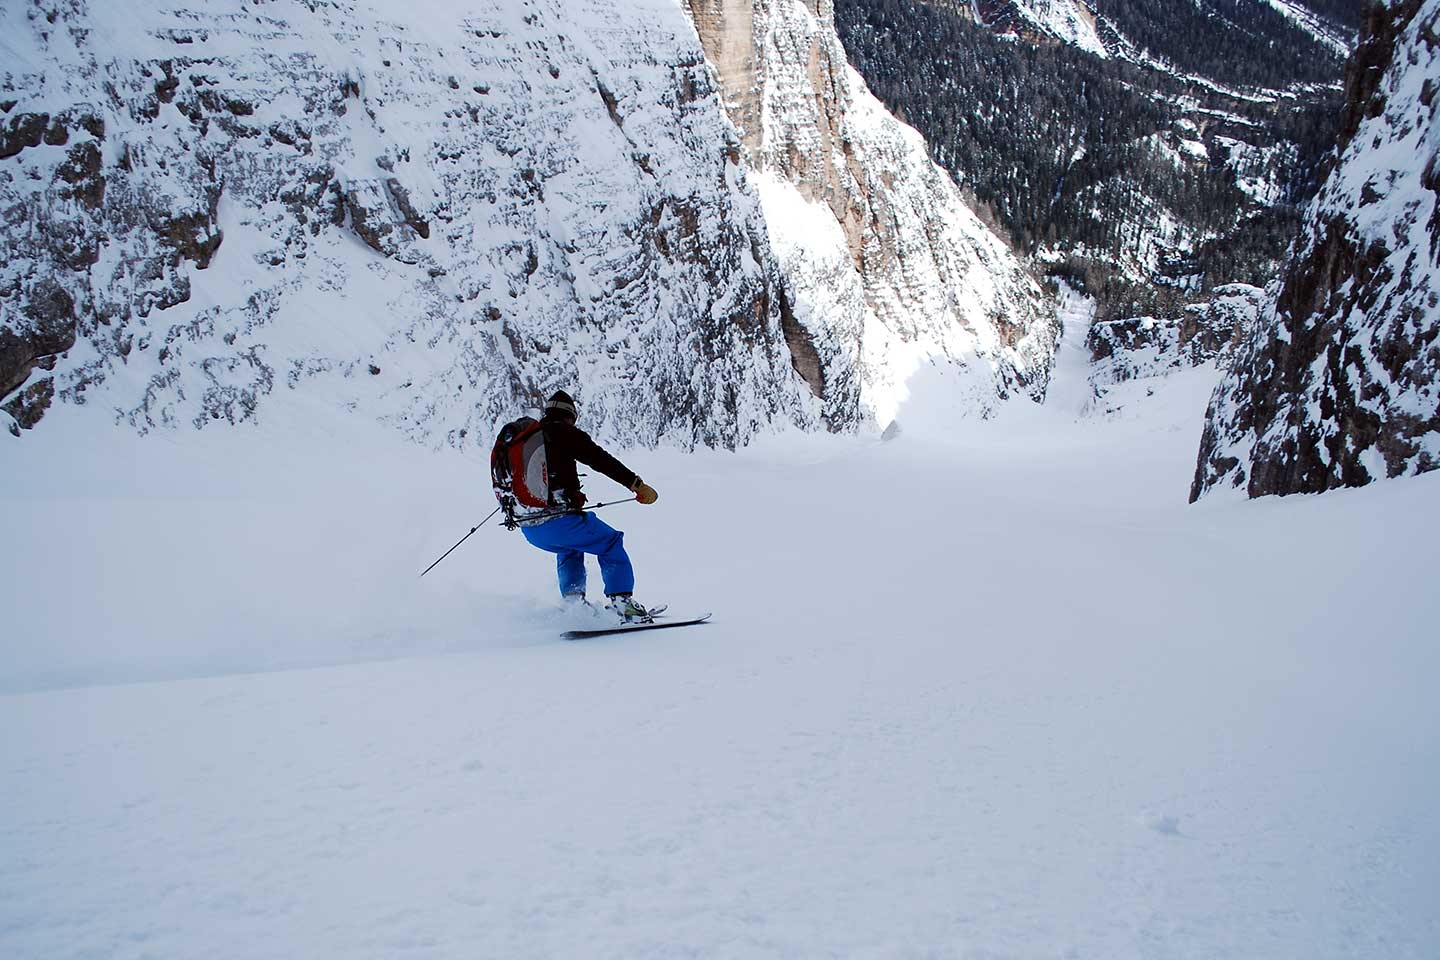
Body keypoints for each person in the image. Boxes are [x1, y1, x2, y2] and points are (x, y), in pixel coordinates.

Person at [517, 390, 660, 621]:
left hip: (529, 527)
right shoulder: (564, 432)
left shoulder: (528, 438)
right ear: (570, 416)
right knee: (611, 541)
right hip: (559, 520)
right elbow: (600, 460)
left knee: (570, 547)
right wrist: (636, 485)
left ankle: (574, 606)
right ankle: (623, 604)